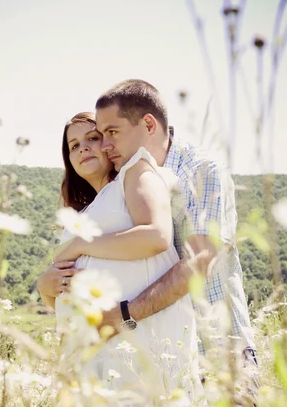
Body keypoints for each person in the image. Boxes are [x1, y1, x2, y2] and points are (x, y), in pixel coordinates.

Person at [37, 79, 258, 378]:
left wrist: (122, 315)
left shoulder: (201, 171)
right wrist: (47, 287)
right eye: (97, 136)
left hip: (216, 348)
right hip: (145, 354)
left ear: (149, 125)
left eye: (110, 133)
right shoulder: (114, 192)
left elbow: (199, 261)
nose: (103, 145)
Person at [39, 110, 209, 407]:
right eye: (73, 146)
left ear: (110, 142)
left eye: (92, 138)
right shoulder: (84, 210)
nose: (83, 149)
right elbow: (64, 291)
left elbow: (155, 236)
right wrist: (45, 288)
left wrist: (80, 245)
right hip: (88, 349)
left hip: (134, 336)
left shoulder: (130, 178)